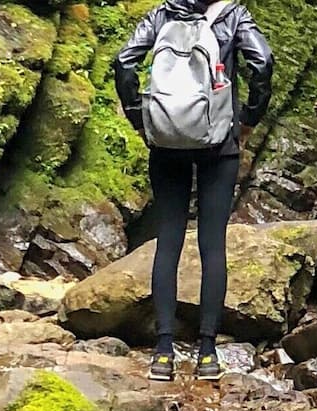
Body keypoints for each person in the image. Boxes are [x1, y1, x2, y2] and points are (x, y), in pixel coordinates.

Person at [113, 0, 274, 381]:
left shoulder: (161, 14)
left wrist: (140, 117)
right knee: (212, 245)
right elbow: (262, 62)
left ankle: (163, 352)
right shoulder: (234, 15)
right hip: (220, 143)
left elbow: (124, 61)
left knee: (168, 242)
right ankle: (207, 353)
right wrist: (248, 119)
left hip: (167, 142)